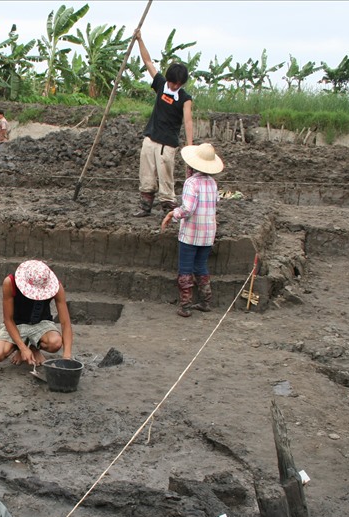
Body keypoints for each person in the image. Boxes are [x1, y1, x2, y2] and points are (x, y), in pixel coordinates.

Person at [132, 28, 194, 219]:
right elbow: (148, 62)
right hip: (151, 138)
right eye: (173, 83)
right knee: (146, 175)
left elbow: (188, 121)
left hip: (167, 143)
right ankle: (145, 207)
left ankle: (169, 209)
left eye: (178, 84)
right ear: (169, 79)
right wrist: (139, 40)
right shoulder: (161, 84)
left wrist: (190, 146)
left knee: (166, 178)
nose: (175, 86)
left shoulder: (184, 98)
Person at [160, 142, 224, 317]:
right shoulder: (212, 183)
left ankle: (185, 306)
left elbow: (188, 209)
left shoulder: (191, 183)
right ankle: (205, 301)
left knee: (186, 268)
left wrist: (173, 213)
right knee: (201, 266)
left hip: (191, 233)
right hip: (208, 233)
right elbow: (215, 204)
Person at [0, 259, 73, 366]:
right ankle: (19, 346)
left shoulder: (56, 286)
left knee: (55, 343)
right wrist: (23, 348)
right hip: (16, 324)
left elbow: (65, 323)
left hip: (41, 323)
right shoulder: (10, 282)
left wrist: (66, 357)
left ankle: (34, 348)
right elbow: (8, 319)